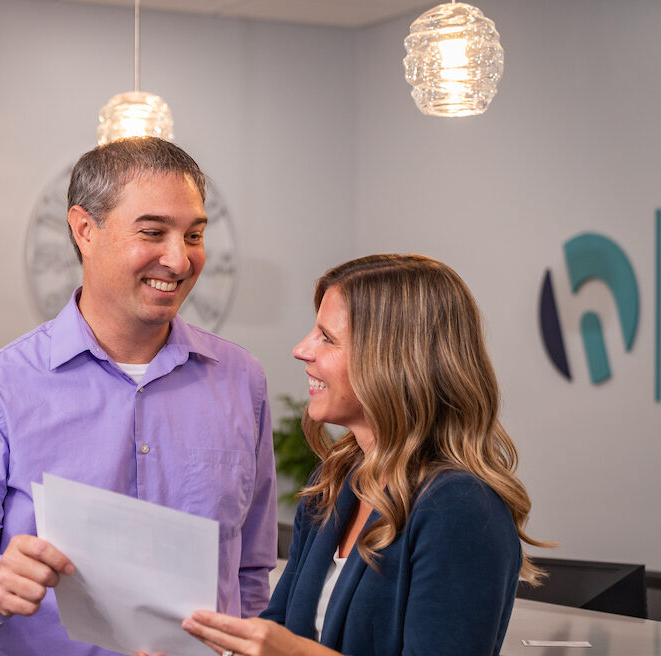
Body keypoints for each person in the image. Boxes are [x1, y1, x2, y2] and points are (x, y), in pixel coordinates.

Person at [0, 136, 279, 656]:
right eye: (153, 232)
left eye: (194, 235)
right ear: (85, 230)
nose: (179, 260)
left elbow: (251, 570)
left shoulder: (243, 380)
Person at [175, 254, 551, 656]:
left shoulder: (460, 507)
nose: (302, 349)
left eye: (327, 338)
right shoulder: (334, 482)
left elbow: (285, 648)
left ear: (395, 360)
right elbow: (278, 629)